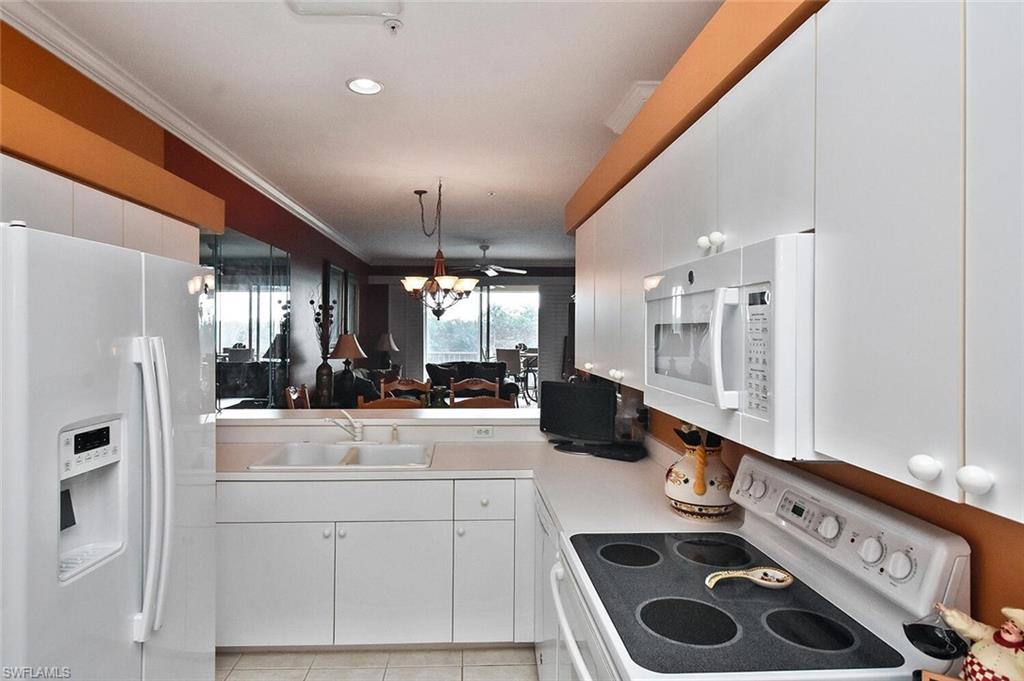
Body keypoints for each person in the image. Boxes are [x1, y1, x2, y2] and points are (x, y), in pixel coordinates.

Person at [937, 603, 1024, 681]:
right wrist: (949, 613)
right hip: (969, 675)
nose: (1006, 627)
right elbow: (971, 627)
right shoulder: (990, 633)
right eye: (1007, 623)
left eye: (1012, 627)